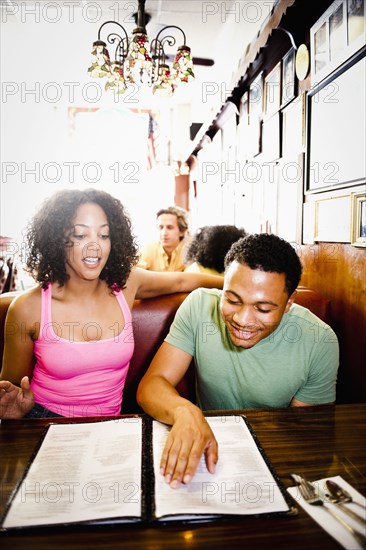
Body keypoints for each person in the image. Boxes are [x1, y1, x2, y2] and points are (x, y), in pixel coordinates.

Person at [0, 189, 224, 420]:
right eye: (80, 235)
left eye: (104, 235)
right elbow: (13, 388)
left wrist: (236, 286)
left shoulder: (126, 284)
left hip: (110, 427)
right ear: (57, 241)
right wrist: (14, 409)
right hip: (43, 420)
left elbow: (183, 280)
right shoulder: (27, 308)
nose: (95, 246)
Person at [137, 233, 339, 488]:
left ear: (289, 303)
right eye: (232, 300)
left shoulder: (319, 340)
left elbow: (308, 436)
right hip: (205, 456)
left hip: (273, 462)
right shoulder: (198, 306)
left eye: (263, 308)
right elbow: (152, 385)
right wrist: (184, 411)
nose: (242, 320)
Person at [137, 206, 189, 272]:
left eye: (170, 227)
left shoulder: (190, 249)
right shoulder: (149, 248)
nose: (164, 233)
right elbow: (135, 274)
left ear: (182, 231)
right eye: (161, 227)